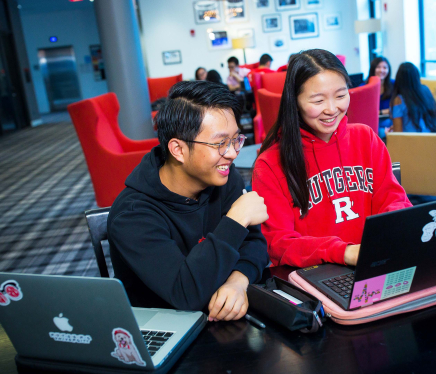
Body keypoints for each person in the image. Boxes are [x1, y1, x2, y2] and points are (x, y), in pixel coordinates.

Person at [108, 81, 269, 322]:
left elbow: (254, 243)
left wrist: (238, 281)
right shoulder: (133, 214)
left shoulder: (223, 178)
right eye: (220, 143)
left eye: (236, 139)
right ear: (178, 150)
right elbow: (185, 294)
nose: (233, 153)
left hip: (223, 321)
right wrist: (236, 220)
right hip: (164, 329)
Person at [252, 49, 412, 268]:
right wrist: (344, 252)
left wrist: (392, 233)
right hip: (316, 273)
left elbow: (394, 198)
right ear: (294, 101)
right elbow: (278, 243)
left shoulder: (365, 137)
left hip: (374, 262)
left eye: (340, 95)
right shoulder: (270, 163)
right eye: (318, 100)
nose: (331, 109)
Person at [389, 62, 436, 133]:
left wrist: (390, 135)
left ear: (399, 79)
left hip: (412, 141)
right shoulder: (426, 90)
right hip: (432, 138)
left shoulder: (398, 100)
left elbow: (398, 134)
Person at [366, 57, 394, 139]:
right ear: (373, 69)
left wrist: (380, 112)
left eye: (385, 67)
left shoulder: (394, 84)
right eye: (378, 67)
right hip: (371, 122)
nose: (381, 70)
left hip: (389, 120)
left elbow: (396, 108)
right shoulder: (364, 86)